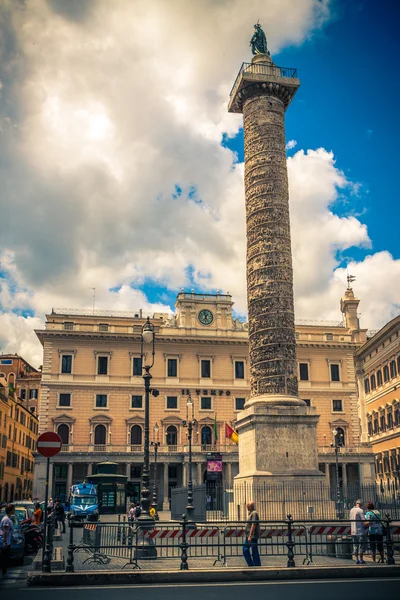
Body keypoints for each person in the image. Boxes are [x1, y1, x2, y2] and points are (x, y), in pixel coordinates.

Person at [243, 500, 261, 567]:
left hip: (252, 536)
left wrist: (250, 535)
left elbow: (253, 524)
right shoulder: (252, 513)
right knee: (254, 550)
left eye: (247, 506)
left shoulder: (254, 513)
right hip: (250, 535)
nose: (247, 507)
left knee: (245, 549)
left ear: (250, 507)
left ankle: (252, 564)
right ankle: (256, 565)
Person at [0, 504, 15, 578]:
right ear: (10, 510)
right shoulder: (6, 519)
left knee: (5, 558)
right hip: (5, 542)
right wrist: (5, 542)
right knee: (4, 558)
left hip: (7, 541)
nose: (14, 510)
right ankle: (4, 573)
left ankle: (4, 572)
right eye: (13, 509)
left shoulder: (8, 518)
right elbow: (5, 531)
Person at [349, 499, 366, 564]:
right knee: (361, 545)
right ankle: (361, 559)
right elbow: (363, 521)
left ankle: (356, 559)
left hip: (353, 531)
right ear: (360, 504)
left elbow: (350, 519)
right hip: (360, 531)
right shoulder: (360, 510)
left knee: (355, 545)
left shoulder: (351, 510)